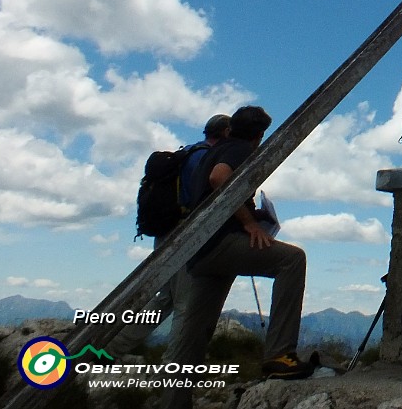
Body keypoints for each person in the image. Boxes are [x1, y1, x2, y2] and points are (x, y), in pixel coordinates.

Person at [165, 105, 312, 383]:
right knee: (292, 260)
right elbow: (219, 178)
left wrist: (251, 215)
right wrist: (249, 223)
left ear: (231, 127)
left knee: (193, 335)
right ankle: (280, 355)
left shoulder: (214, 150)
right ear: (259, 135)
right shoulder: (241, 150)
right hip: (221, 243)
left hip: (200, 250)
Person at [109, 113, 231, 357]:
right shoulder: (207, 158)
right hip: (186, 234)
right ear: (225, 132)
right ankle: (173, 363)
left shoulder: (186, 153)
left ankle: (111, 349)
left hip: (166, 231)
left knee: (165, 297)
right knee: (186, 302)